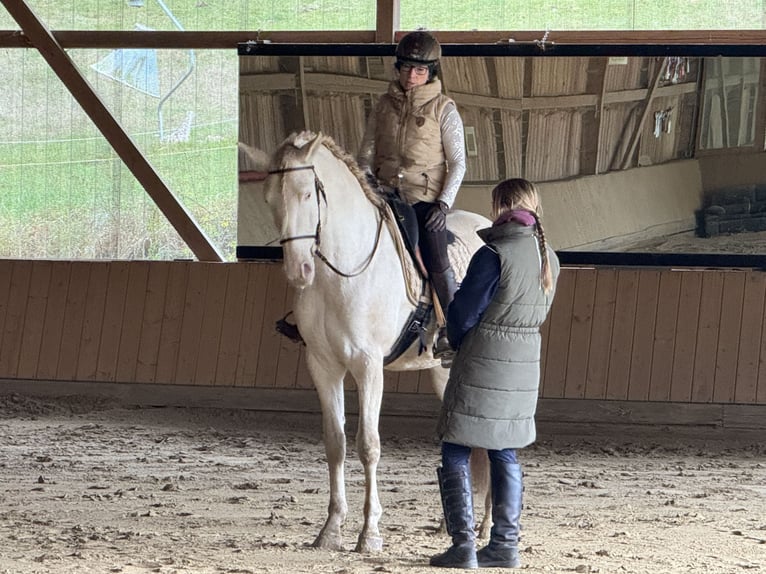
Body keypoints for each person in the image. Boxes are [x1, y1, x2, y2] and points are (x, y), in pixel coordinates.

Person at [430, 178, 560, 569]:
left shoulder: (493, 254)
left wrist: (451, 333)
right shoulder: (549, 257)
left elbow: (464, 314)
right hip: (524, 363)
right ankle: (504, 544)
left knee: (455, 445)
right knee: (504, 449)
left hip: (483, 359)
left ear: (500, 206)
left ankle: (463, 546)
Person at [358, 30, 466, 358]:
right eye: (406, 68)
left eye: (419, 70)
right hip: (384, 195)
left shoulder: (444, 109)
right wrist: (366, 183)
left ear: (431, 73)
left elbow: (459, 162)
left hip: (423, 200)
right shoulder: (383, 106)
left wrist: (443, 205)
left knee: (435, 257)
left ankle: (451, 329)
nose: (411, 76)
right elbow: (366, 152)